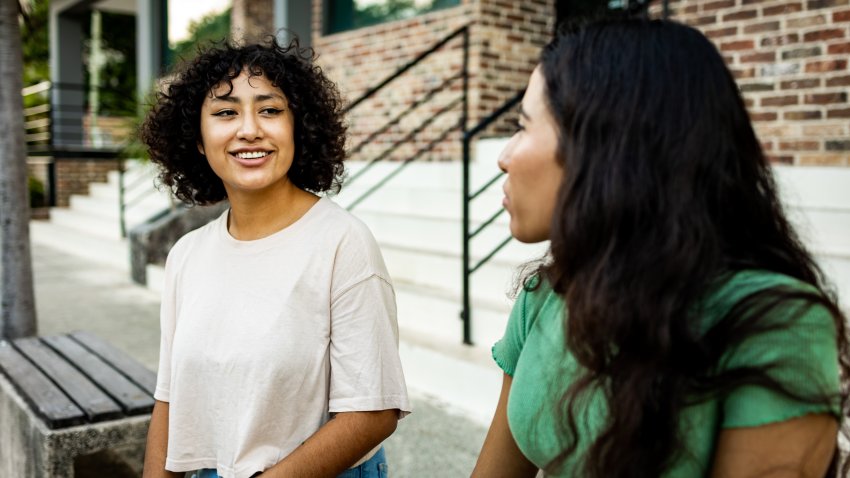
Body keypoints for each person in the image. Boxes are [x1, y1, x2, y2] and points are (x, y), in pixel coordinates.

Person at [473, 18, 848, 478]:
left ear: (609, 147)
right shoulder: (548, 293)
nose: (503, 156)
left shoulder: (773, 324)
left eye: (523, 126)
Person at [139, 37, 410, 478]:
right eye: (226, 112)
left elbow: (373, 411)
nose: (250, 129)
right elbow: (171, 398)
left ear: (298, 127)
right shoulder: (186, 255)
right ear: (197, 140)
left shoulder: (342, 242)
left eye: (270, 110)